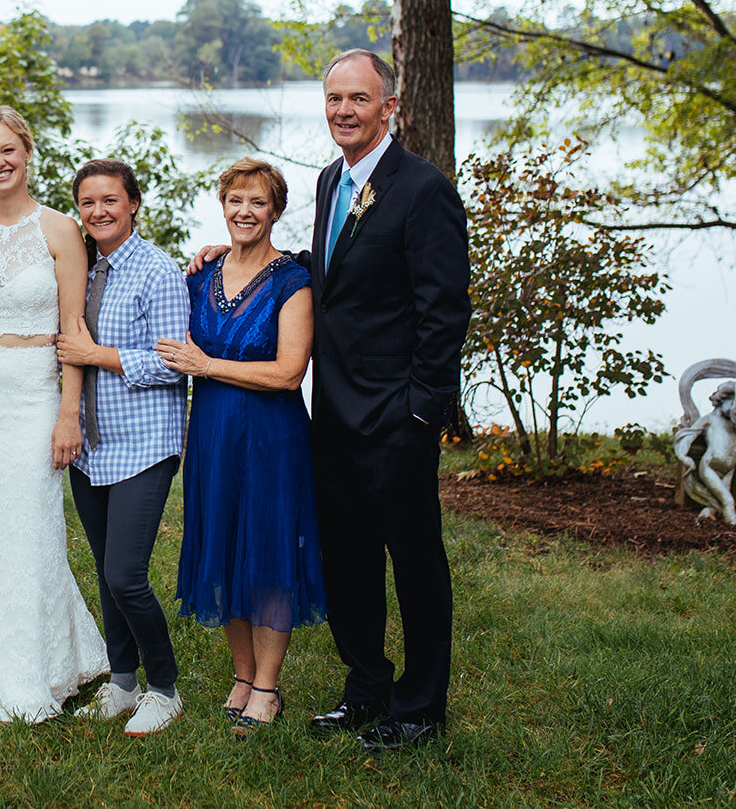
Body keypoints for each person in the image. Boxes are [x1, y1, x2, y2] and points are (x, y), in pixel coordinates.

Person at [190, 49, 469, 752]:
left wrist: (421, 410)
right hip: (335, 415)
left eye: (359, 98)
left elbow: (445, 310)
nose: (344, 110)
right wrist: (240, 256)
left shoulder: (423, 188)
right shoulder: (329, 180)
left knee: (414, 565)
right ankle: (367, 685)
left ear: (390, 105)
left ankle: (420, 707)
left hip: (397, 418)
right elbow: (334, 269)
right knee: (347, 564)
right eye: (334, 98)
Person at [0, 107, 108, 723]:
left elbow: (74, 331)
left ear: (28, 153)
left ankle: (38, 667)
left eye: (8, 150)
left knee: (31, 528)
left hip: (34, 396)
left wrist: (68, 415)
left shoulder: (62, 231)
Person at [155, 158, 326, 735]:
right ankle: (243, 675)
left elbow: (287, 373)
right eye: (235, 201)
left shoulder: (291, 282)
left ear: (275, 211)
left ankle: (269, 689)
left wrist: (206, 365)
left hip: (271, 435)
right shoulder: (200, 275)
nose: (245, 212)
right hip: (212, 431)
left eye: (257, 202)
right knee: (223, 545)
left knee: (269, 552)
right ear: (222, 206)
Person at [54, 158, 187, 736]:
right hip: (89, 445)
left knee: (126, 573)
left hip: (144, 443)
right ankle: (122, 682)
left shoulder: (158, 271)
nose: (99, 211)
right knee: (109, 575)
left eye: (110, 200)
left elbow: (172, 361)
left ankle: (164, 688)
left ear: (133, 203)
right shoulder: (80, 267)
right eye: (87, 203)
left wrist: (97, 356)